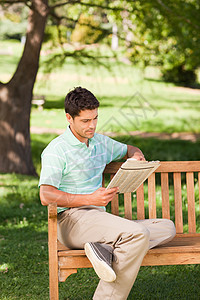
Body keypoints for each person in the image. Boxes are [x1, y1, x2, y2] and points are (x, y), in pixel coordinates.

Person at [39, 87, 176, 300]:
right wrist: (89, 199)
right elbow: (46, 195)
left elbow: (129, 148)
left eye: (95, 118)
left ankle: (103, 249)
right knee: (138, 235)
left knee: (167, 228)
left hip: (98, 220)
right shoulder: (56, 150)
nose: (92, 125)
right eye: (85, 121)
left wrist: (137, 156)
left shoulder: (100, 143)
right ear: (69, 118)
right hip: (71, 220)